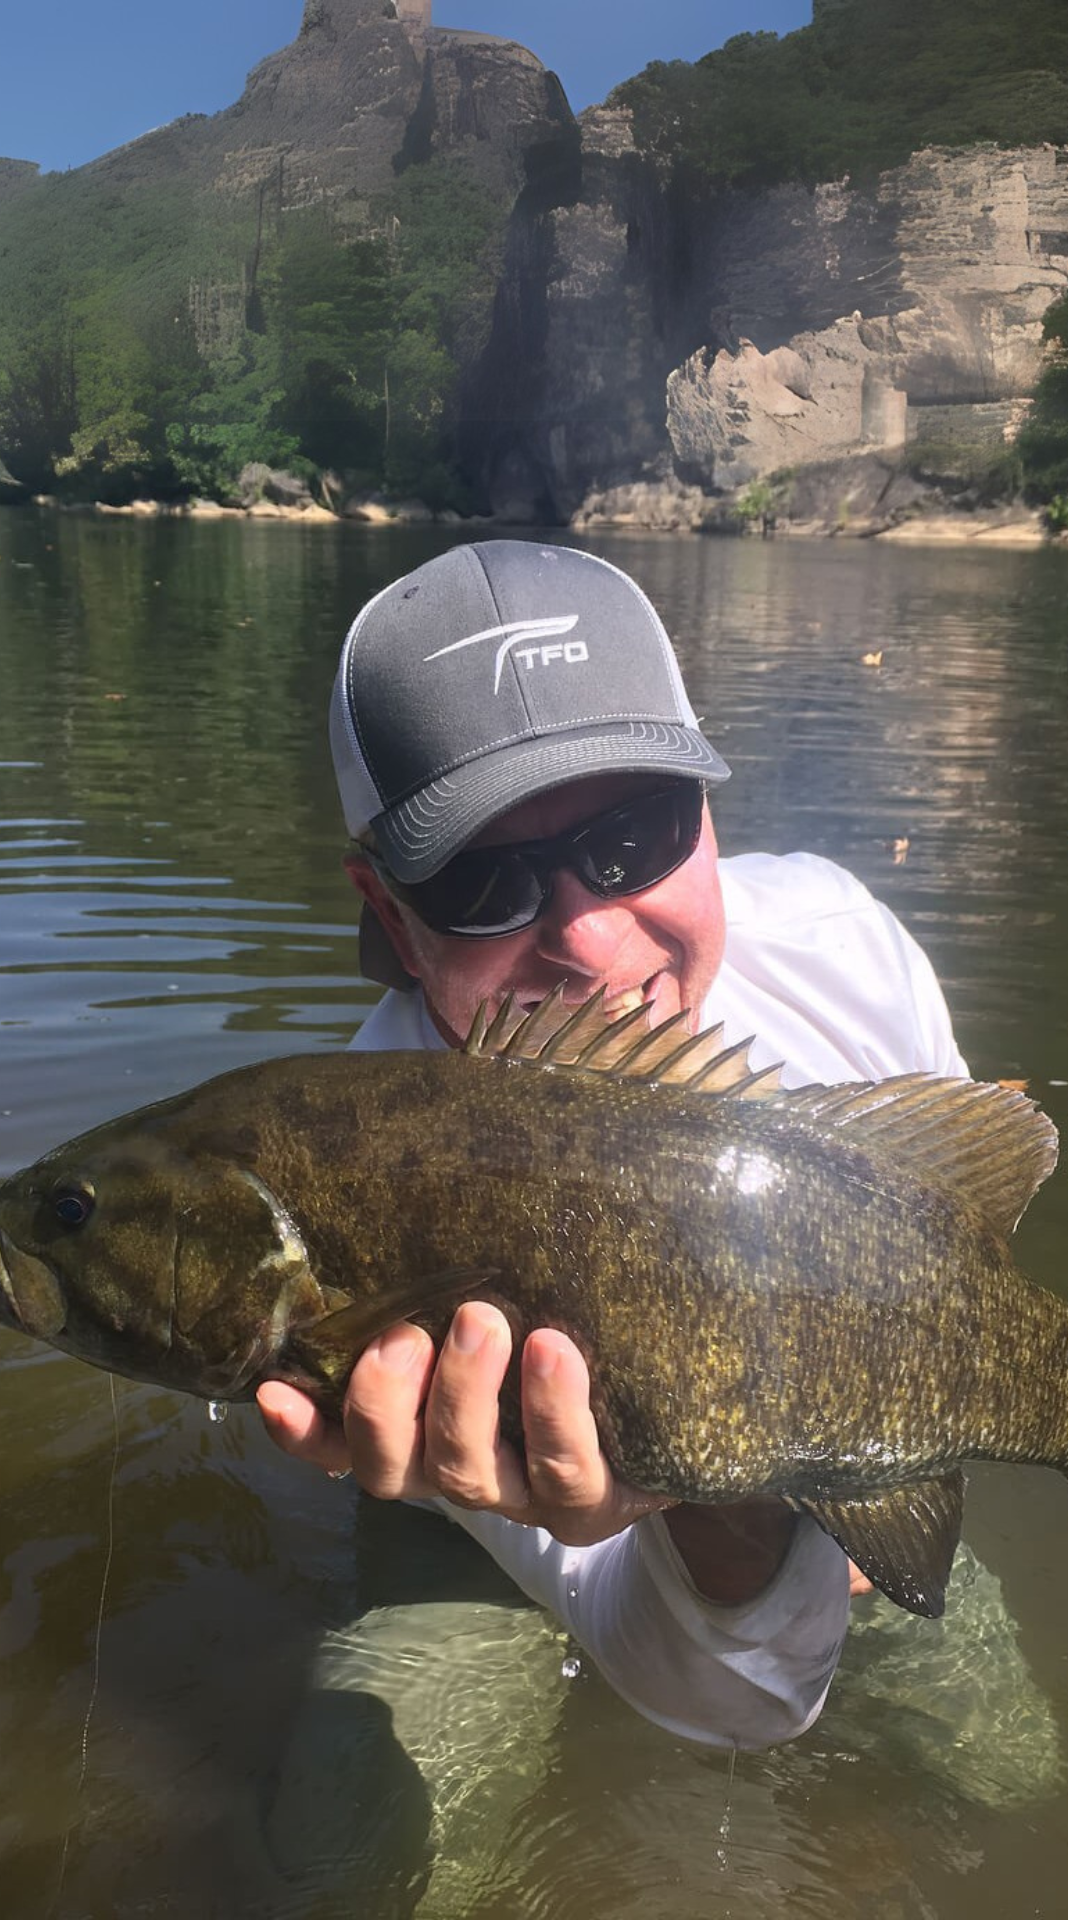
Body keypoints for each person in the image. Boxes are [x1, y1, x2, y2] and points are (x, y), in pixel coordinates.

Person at [257, 539, 967, 1750]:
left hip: (874, 1494)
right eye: (483, 884)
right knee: (353, 1816)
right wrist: (718, 1504)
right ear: (390, 913)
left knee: (1007, 1768)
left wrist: (871, 1483)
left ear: (706, 811)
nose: (586, 942)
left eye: (636, 835)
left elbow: (963, 1251)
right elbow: (728, 1701)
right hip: (467, 1507)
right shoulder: (349, 1173)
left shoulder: (845, 952)